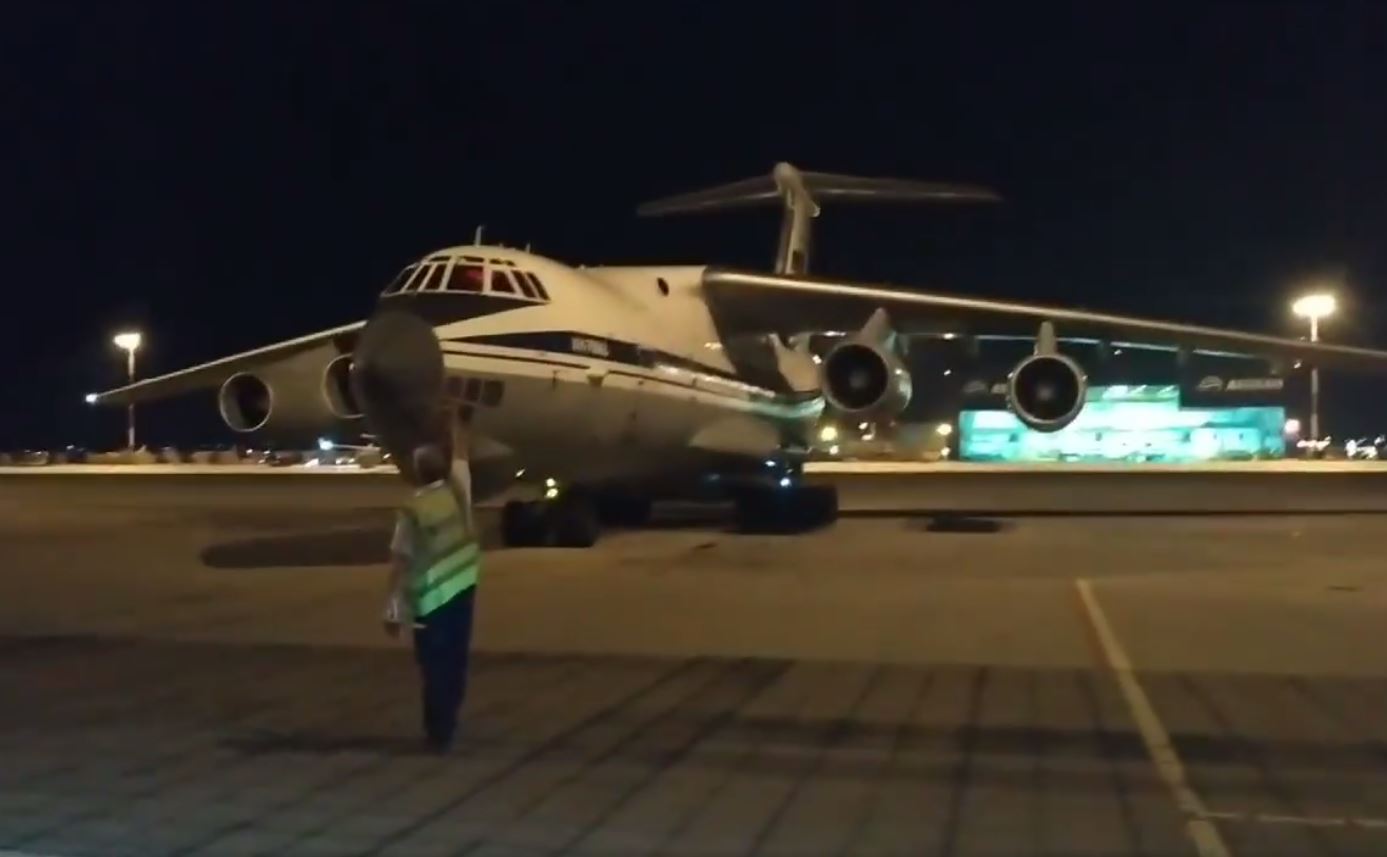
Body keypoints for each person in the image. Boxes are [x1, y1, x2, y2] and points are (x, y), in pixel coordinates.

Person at [384, 441, 480, 752]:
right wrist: (457, 428)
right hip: (463, 592)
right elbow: (462, 462)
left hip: (432, 599)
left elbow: (401, 560)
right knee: (455, 662)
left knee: (434, 667)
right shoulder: (458, 495)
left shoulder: (413, 510)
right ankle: (448, 723)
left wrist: (392, 606)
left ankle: (438, 732)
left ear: (416, 472)